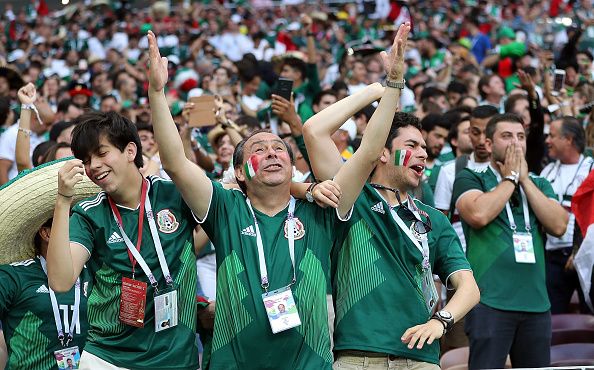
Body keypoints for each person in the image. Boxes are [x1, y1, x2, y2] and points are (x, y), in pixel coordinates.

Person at [147, 23, 412, 369]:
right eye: (259, 149)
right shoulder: (225, 208)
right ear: (240, 172)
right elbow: (175, 162)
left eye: (279, 148)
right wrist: (156, 91)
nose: (272, 153)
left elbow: (367, 153)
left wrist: (391, 84)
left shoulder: (321, 207)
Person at [303, 26, 479, 369]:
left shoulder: (433, 219)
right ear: (382, 153)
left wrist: (440, 321)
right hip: (359, 356)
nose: (423, 155)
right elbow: (313, 130)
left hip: (422, 359)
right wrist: (380, 88)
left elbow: (469, 288)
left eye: (426, 149)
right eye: (411, 146)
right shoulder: (352, 197)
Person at [46, 111, 200, 369]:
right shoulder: (90, 213)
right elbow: (60, 281)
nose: (92, 165)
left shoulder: (174, 195)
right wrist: (63, 200)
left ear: (130, 151)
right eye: (86, 160)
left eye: (101, 153)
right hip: (108, 359)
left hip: (177, 359)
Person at [454, 113, 568, 368]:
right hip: (489, 302)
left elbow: (559, 225)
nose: (516, 143)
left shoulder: (538, 183)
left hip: (537, 304)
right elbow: (479, 214)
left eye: (520, 137)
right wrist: (511, 179)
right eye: (506, 136)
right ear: (488, 143)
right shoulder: (471, 178)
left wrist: (524, 179)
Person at [0, 159, 98, 370]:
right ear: (46, 233)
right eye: (72, 223)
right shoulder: (13, 276)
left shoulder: (95, 272)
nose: (81, 230)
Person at [540, 116, 594, 314]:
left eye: (552, 136)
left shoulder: (591, 168)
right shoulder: (547, 172)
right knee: (551, 317)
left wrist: (577, 248)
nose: (547, 140)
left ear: (568, 139)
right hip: (552, 257)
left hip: (587, 255)